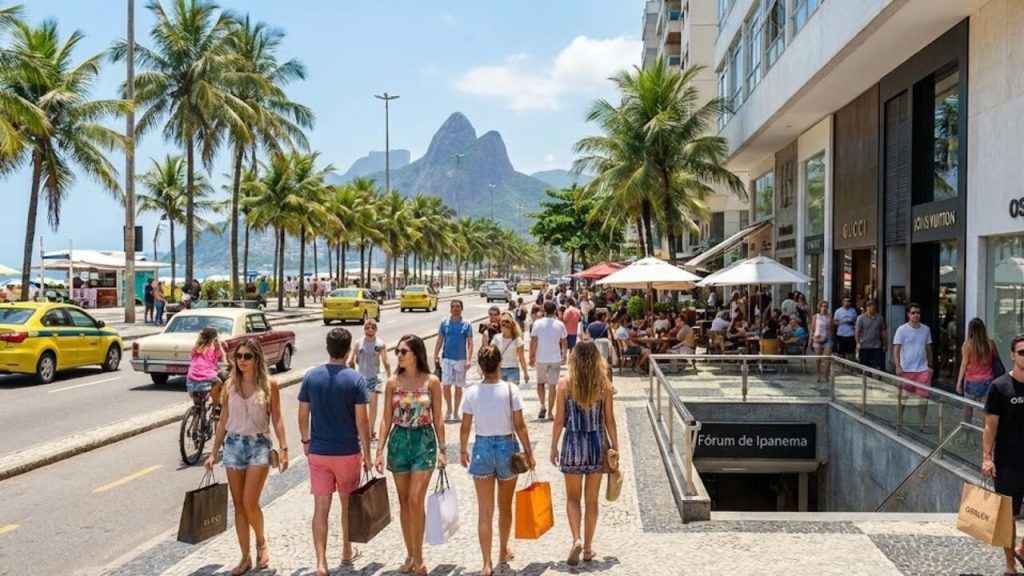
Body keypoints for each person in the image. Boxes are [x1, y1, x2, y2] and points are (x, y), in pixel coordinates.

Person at [204, 339, 288, 575]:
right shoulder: (230, 385)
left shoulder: (270, 384)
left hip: (259, 445)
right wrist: (213, 452)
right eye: (238, 356)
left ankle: (261, 541)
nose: (242, 361)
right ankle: (245, 557)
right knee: (239, 506)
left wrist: (284, 448)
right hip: (233, 446)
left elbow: (278, 418)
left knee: (250, 503)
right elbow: (223, 421)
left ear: (257, 359)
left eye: (247, 356)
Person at [298, 328, 373, 575]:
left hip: (319, 452)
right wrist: (368, 453)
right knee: (346, 504)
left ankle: (321, 562)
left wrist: (306, 442)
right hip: (347, 452)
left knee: (321, 508)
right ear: (349, 349)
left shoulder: (311, 377)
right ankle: (346, 551)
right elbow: (362, 422)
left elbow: (302, 414)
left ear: (328, 348)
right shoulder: (356, 380)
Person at [460, 345, 535, 576]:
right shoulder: (511, 390)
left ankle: (486, 563)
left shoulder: (471, 392)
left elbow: (465, 427)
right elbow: (520, 425)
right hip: (506, 448)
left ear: (481, 367)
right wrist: (529, 452)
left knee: (485, 510)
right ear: (500, 363)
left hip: (482, 447)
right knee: (505, 507)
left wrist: (463, 450)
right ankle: (503, 550)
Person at [376, 335, 446, 576]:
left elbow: (438, 418)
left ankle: (419, 557)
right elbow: (386, 417)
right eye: (397, 352)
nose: (399, 355)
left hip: (424, 441)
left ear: (416, 353)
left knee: (416, 499)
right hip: (399, 442)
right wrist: (379, 450)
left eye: (403, 351)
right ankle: (410, 554)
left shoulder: (432, 382)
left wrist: (443, 450)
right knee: (405, 502)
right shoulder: (392, 383)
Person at [550, 341, 618, 567]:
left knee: (572, 498)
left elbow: (559, 420)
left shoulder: (564, 385)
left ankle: (576, 539)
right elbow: (609, 420)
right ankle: (588, 548)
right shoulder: (604, 385)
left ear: (574, 359)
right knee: (591, 501)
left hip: (572, 443)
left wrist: (553, 446)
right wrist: (615, 448)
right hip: (596, 444)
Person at [982, 334, 1024, 575]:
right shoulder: (999, 387)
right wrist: (987, 457)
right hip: (1008, 463)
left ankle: (1022, 549)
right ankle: (1010, 565)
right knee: (1009, 517)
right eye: (1021, 352)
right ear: (1012, 356)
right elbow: (990, 427)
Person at [350, 319, 391, 442]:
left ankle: (371, 430)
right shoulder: (358, 343)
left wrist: (390, 378)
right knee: (361, 406)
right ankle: (361, 430)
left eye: (372, 328)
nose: (370, 330)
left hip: (375, 377)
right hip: (362, 377)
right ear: (364, 329)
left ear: (376, 329)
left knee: (373, 405)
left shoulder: (380, 344)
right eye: (367, 328)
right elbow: (353, 359)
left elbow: (386, 362)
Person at [893, 303, 933, 429]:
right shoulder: (902, 329)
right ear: (908, 314)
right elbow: (896, 348)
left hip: (922, 369)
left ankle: (922, 423)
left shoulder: (926, 329)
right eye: (913, 313)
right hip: (906, 369)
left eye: (918, 313)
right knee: (904, 397)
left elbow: (928, 348)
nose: (916, 315)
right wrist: (898, 366)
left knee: (923, 398)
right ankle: (899, 419)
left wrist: (930, 366)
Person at [433, 300, 474, 421]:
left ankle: (456, 411)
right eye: (453, 307)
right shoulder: (444, 323)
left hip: (460, 359)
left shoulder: (467, 324)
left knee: (458, 386)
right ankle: (449, 408)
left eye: (458, 307)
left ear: (462, 309)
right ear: (450, 309)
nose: (455, 309)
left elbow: (470, 343)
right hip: (447, 358)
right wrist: (435, 354)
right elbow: (440, 339)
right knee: (445, 385)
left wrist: (469, 359)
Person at [530, 301, 568, 420]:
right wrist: (564, 355)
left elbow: (534, 341)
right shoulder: (559, 324)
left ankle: (542, 405)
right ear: (555, 310)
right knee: (552, 386)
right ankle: (550, 412)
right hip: (555, 357)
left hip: (541, 357)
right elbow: (564, 341)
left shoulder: (537, 323)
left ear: (543, 310)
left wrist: (531, 356)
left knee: (540, 383)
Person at [957, 318, 997, 425]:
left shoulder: (967, 345)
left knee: (967, 411)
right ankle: (985, 437)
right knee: (985, 412)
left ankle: (966, 435)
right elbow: (994, 361)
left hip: (971, 382)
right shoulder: (990, 344)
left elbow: (964, 365)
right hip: (988, 381)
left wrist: (958, 383)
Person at [186, 326, 227, 420]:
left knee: (197, 406)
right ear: (214, 338)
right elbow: (221, 358)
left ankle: (195, 429)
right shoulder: (212, 350)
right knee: (219, 383)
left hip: (191, 380)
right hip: (206, 379)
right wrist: (219, 347)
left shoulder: (196, 348)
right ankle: (215, 410)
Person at [492, 312, 529, 386]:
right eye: (502, 323)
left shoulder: (517, 340)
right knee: (500, 394)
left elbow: (522, 358)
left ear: (511, 325)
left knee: (511, 394)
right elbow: (491, 355)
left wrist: (526, 373)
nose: (504, 325)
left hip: (513, 369)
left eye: (507, 322)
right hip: (499, 369)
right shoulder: (496, 338)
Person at [855, 300, 887, 371]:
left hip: (876, 346)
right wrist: (857, 343)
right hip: (864, 346)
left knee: (877, 367)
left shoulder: (879, 318)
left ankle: (876, 379)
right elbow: (857, 331)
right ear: (866, 308)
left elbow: (883, 331)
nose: (871, 308)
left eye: (873, 306)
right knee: (865, 367)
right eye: (869, 306)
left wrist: (885, 344)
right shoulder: (861, 318)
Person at [811, 302, 834, 383]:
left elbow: (831, 329)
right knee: (818, 358)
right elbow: (813, 328)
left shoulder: (829, 317)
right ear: (819, 307)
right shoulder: (815, 317)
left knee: (827, 358)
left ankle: (826, 375)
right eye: (822, 306)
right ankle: (818, 374)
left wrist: (832, 338)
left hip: (827, 337)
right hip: (817, 337)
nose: (824, 308)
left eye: (825, 307)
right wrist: (811, 339)